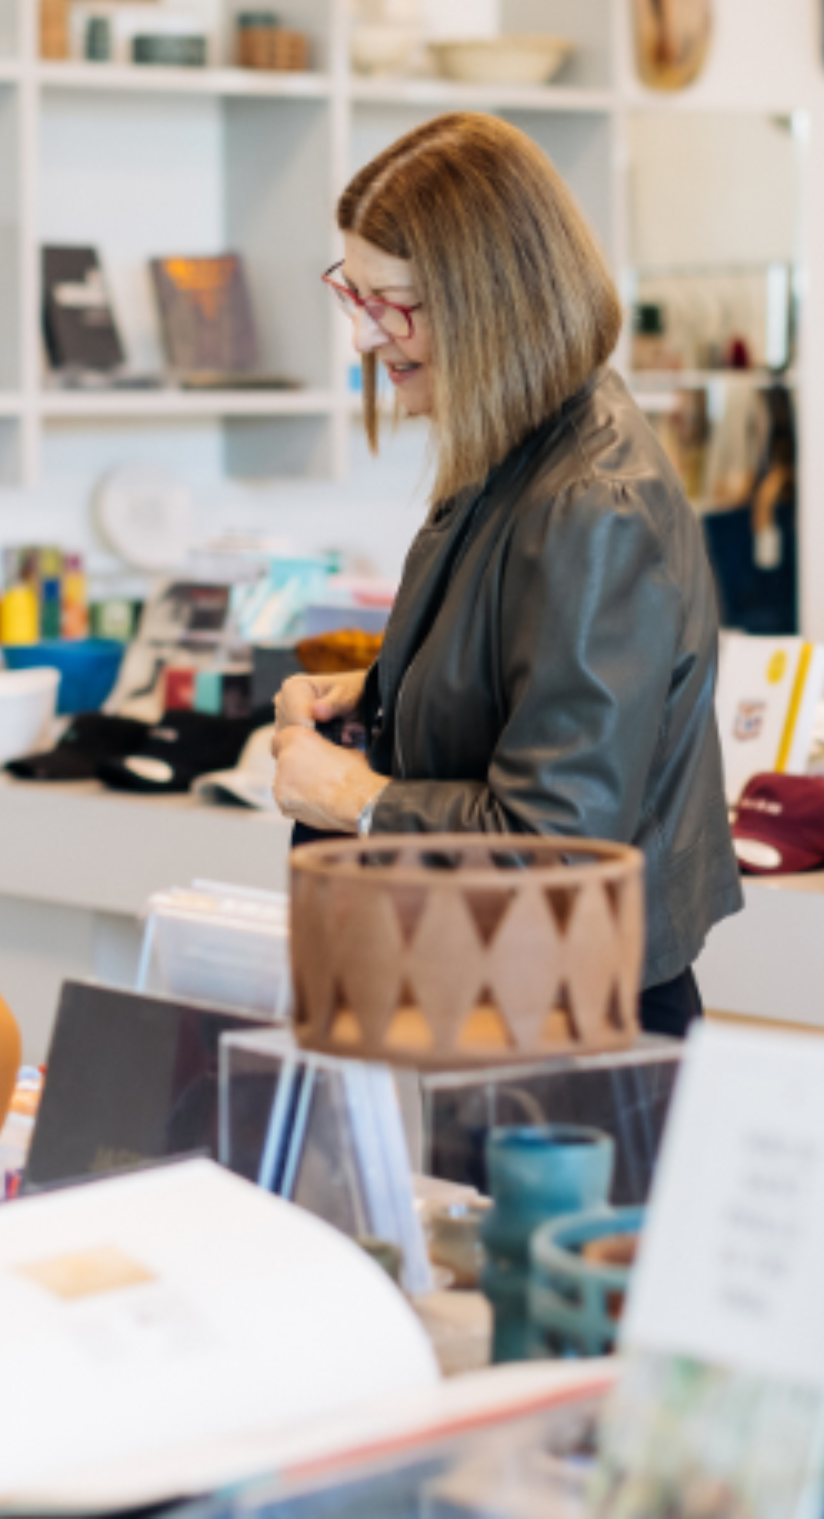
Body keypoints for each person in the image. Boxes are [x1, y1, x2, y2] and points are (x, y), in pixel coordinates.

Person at [271, 114, 741, 1036]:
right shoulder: (516, 450)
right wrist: (382, 697)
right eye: (354, 298)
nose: (367, 340)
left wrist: (354, 798)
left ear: (490, 299)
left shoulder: (591, 504)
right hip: (496, 994)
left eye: (393, 304)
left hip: (571, 1029)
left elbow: (555, 851)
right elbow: (530, 683)